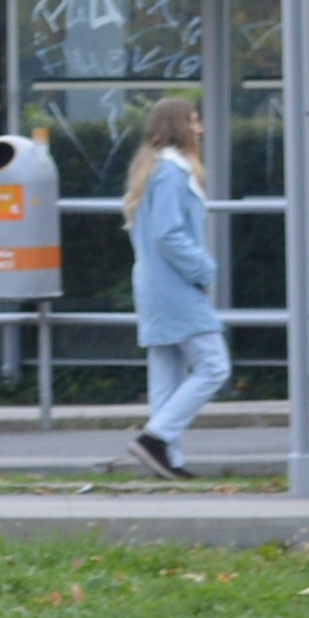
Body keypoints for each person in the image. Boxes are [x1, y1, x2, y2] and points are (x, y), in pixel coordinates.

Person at [121, 94, 224, 480]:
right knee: (214, 365)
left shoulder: (151, 172)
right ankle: (157, 439)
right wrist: (204, 270)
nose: (200, 128)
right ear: (182, 128)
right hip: (175, 286)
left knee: (166, 373)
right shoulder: (173, 174)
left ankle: (168, 460)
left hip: (153, 284)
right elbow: (169, 234)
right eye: (194, 121)